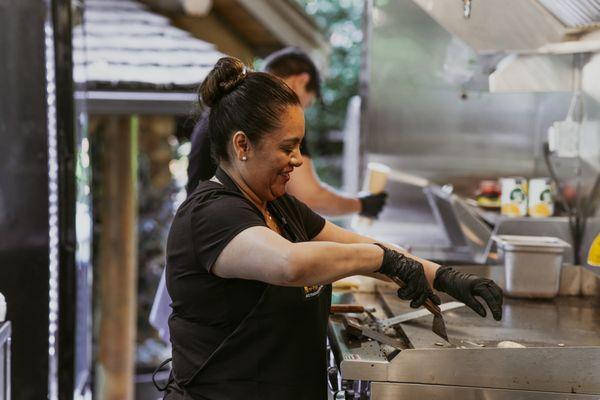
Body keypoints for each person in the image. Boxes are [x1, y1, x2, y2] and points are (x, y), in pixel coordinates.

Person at [163, 57, 503, 399]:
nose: (297, 159)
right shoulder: (210, 214)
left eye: (299, 145)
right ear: (242, 145)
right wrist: (380, 260)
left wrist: (445, 277)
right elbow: (290, 265)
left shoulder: (280, 208)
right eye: (287, 146)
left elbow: (361, 243)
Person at [186, 47, 387, 218]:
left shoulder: (227, 107)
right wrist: (361, 205)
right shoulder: (276, 115)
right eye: (289, 146)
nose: (296, 159)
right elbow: (309, 196)